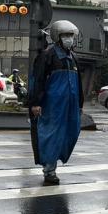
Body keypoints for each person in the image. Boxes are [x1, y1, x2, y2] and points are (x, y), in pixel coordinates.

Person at [29, 20, 84, 185]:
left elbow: (79, 83)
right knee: (51, 136)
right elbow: (37, 80)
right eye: (65, 35)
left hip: (71, 107)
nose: (69, 38)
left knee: (71, 134)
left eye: (71, 35)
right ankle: (49, 170)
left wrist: (80, 104)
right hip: (53, 106)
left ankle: (52, 163)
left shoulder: (73, 58)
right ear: (57, 37)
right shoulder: (47, 56)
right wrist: (35, 103)